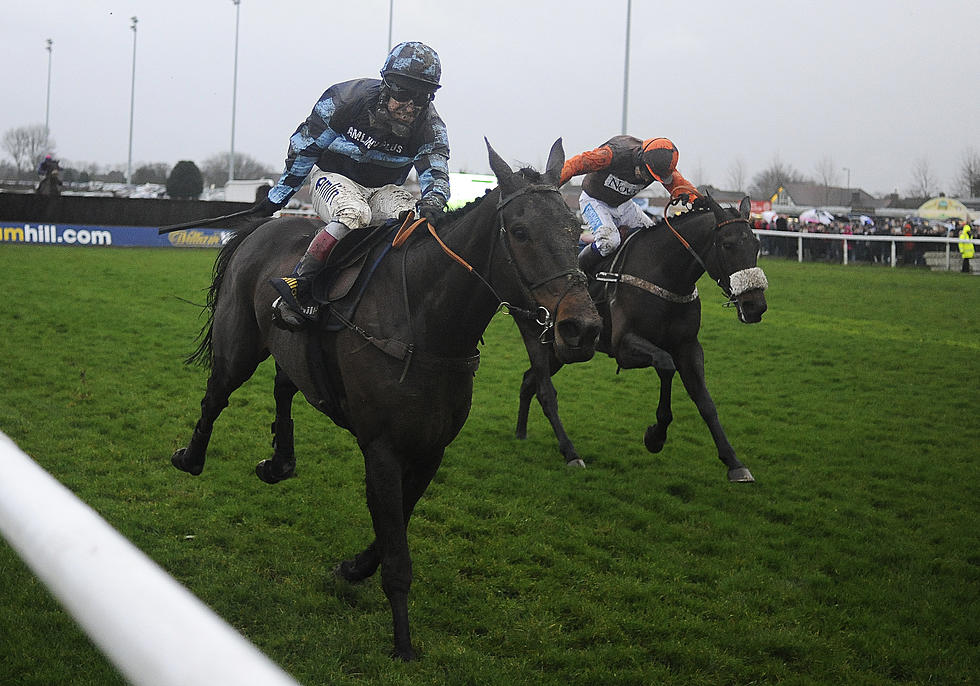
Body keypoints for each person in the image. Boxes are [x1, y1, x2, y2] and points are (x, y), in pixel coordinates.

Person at [256, 41, 451, 330]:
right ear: (386, 84)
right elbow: (304, 148)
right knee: (353, 213)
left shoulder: (430, 126)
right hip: (334, 178)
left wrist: (434, 202)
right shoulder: (344, 100)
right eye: (403, 92)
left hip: (383, 190)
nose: (410, 105)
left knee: (414, 220)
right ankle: (298, 287)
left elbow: (435, 173)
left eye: (422, 96)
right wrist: (278, 196)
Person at [559, 136, 700, 272]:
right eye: (647, 173)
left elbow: (683, 188)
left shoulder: (660, 167)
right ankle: (578, 272)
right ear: (640, 158)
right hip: (594, 201)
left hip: (624, 205)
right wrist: (552, 182)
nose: (648, 178)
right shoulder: (612, 154)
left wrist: (700, 203)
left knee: (654, 240)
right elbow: (576, 164)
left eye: (653, 177)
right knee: (609, 241)